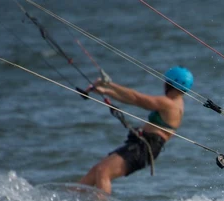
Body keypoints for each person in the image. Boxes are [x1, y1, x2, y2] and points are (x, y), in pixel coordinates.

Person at [78, 66, 194, 194]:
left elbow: (136, 98)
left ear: (170, 84)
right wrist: (106, 91)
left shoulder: (169, 104)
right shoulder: (176, 102)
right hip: (140, 144)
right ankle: (69, 199)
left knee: (103, 172)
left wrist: (110, 84)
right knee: (95, 171)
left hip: (145, 147)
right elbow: (131, 99)